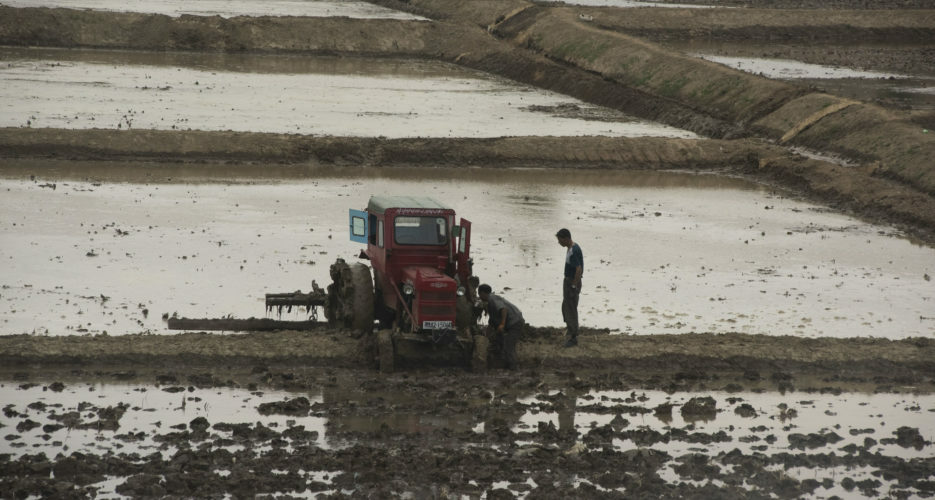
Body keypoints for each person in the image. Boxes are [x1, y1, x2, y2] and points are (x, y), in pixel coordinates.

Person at [477, 284, 524, 370]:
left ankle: (513, 367)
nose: (479, 297)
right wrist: (486, 337)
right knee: (500, 341)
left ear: (483, 293)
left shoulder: (492, 298)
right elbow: (491, 322)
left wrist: (502, 324)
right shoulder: (490, 304)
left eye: (479, 294)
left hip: (515, 322)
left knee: (509, 345)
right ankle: (503, 363)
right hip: (511, 322)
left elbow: (503, 309)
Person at [556, 228, 583, 347]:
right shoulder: (572, 248)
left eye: (560, 240)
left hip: (571, 282)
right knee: (566, 306)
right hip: (570, 281)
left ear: (566, 239)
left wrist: (573, 285)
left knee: (571, 308)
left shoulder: (573, 251)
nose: (559, 242)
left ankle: (573, 337)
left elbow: (578, 269)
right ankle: (570, 328)